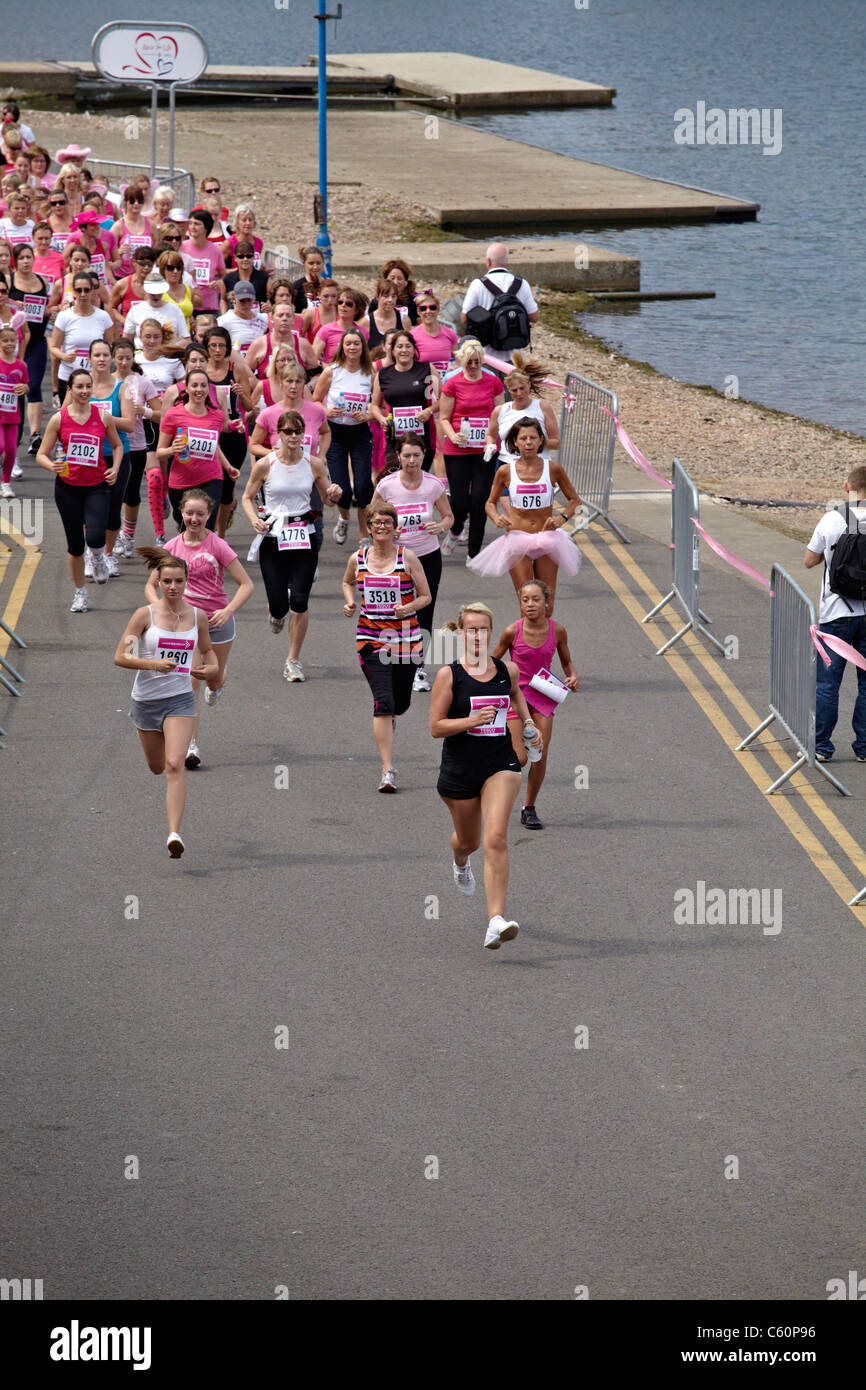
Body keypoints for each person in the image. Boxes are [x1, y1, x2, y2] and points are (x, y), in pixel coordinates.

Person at [430, 601, 542, 949]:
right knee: (470, 842)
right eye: (471, 629)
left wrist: (527, 725)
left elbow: (515, 695)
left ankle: (495, 920)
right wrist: (470, 722)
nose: (478, 635)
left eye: (483, 629)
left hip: (500, 763)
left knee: (495, 837)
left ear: (491, 633)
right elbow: (435, 727)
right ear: (461, 633)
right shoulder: (449, 675)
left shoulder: (505, 669)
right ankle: (460, 862)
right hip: (460, 770)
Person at [114, 547, 218, 858]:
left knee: (175, 765)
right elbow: (121, 656)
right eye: (167, 581)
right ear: (158, 581)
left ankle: (174, 833)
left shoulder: (197, 616)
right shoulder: (144, 615)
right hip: (146, 700)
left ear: (187, 583)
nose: (173, 587)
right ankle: (144, 730)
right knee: (157, 767)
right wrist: (152, 665)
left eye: (179, 581)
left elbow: (209, 651)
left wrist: (211, 669)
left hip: (180, 698)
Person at [144, 488, 254, 769]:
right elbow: (150, 585)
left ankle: (220, 681)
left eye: (200, 514)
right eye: (189, 513)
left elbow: (246, 584)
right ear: (181, 513)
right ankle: (191, 746)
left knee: (212, 678)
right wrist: (160, 608)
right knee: (190, 681)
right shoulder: (171, 548)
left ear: (208, 515)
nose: (194, 518)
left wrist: (228, 610)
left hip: (218, 622)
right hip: (186, 624)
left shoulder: (217, 545)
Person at [243, 409, 341, 682]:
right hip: (273, 536)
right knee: (278, 603)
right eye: (288, 431)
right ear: (279, 434)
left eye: (298, 431)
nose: (294, 436)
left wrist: (334, 494)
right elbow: (248, 497)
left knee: (299, 599)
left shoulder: (313, 464)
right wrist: (255, 520)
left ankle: (293, 660)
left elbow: (327, 498)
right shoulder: (266, 464)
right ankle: (276, 613)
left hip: (303, 535)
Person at [342, 500, 430, 790]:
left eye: (387, 523)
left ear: (396, 529)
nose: (381, 527)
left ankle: (391, 718)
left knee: (400, 704)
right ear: (368, 528)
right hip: (370, 640)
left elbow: (425, 596)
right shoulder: (358, 558)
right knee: (383, 702)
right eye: (376, 523)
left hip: (406, 641)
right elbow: (347, 582)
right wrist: (351, 601)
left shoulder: (409, 558)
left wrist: (409, 608)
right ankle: (388, 770)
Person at [492, 580, 579, 829]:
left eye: (536, 600)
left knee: (539, 754)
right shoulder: (511, 631)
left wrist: (572, 676)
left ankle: (529, 807)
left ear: (547, 602)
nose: (530, 604)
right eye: (525, 600)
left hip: (544, 693)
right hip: (516, 693)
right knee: (519, 758)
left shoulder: (558, 630)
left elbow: (567, 662)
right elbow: (493, 661)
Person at [469, 417, 581, 610]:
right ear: (515, 442)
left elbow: (575, 500)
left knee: (546, 604)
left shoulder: (553, 468)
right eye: (523, 438)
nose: (528, 442)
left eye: (533, 438)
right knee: (527, 604)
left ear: (540, 441)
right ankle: (525, 641)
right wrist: (496, 518)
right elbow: (489, 503)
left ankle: (547, 640)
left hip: (547, 539)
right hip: (517, 540)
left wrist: (561, 519)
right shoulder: (505, 471)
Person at [36, 366, 123, 609]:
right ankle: (80, 592)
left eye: (88, 387)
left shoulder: (103, 416)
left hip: (97, 485)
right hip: (67, 488)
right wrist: (51, 465)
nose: (84, 391)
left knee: (95, 536)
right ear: (70, 389)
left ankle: (97, 558)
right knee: (75, 545)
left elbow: (117, 446)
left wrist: (114, 468)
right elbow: (42, 454)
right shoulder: (59, 419)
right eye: (79, 387)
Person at [372, 433, 453, 692]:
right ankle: (393, 659)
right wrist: (386, 529)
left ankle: (418, 668)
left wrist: (439, 526)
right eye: (406, 455)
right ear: (399, 456)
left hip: (427, 555)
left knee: (424, 612)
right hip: (396, 558)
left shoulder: (432, 485)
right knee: (396, 609)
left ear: (423, 456)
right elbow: (372, 516)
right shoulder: (387, 485)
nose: (411, 460)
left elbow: (449, 516)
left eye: (416, 455)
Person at [804, 465, 866, 763]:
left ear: (847, 488)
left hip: (835, 614)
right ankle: (864, 747)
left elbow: (809, 561)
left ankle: (822, 746)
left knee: (828, 684)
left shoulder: (833, 518)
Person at [438, 338, 504, 559]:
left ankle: (474, 551)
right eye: (469, 362)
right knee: (459, 501)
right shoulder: (452, 383)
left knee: (479, 500)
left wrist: (492, 438)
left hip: (484, 449)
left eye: (477, 362)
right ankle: (456, 531)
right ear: (462, 362)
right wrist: (453, 435)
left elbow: (500, 414)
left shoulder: (493, 382)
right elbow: (444, 418)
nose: (474, 366)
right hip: (457, 449)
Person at [157, 367, 239, 531]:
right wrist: (172, 449)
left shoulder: (216, 415)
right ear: (186, 388)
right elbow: (160, 452)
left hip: (211, 477)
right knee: (186, 529)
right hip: (181, 481)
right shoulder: (173, 415)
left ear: (209, 389)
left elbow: (213, 445)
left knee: (206, 526)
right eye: (194, 385)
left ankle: (206, 556)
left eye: (203, 385)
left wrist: (227, 466)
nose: (199, 390)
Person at [313, 329, 375, 545]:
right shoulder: (332, 371)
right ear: (342, 346)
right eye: (348, 343)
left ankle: (363, 535)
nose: (352, 347)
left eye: (356, 344)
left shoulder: (370, 372)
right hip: (335, 433)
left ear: (362, 347)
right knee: (342, 489)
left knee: (363, 487)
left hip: (359, 433)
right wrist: (326, 411)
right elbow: (315, 400)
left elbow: (380, 407)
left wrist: (367, 415)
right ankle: (344, 518)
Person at [87, 338, 135, 576]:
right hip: (87, 458)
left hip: (116, 456)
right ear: (90, 359)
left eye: (106, 355)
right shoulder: (81, 385)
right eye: (97, 355)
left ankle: (106, 555)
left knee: (112, 508)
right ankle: (91, 554)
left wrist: (100, 417)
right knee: (89, 507)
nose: (102, 359)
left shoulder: (121, 388)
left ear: (111, 358)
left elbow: (129, 423)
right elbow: (64, 415)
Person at [135, 318, 185, 545]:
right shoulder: (134, 361)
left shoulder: (172, 363)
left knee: (173, 478)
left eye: (156, 337)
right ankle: (160, 534)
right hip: (145, 424)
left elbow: (186, 389)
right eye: (147, 337)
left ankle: (174, 509)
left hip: (172, 424)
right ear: (140, 337)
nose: (151, 341)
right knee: (154, 478)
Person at [202, 325, 254, 536]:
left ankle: (219, 535)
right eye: (213, 345)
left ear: (227, 348)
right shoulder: (201, 371)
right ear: (206, 347)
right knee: (210, 486)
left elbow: (250, 407)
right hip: (208, 431)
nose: (217, 350)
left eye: (221, 346)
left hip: (233, 433)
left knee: (225, 488)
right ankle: (207, 530)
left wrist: (241, 394)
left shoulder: (237, 369)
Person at [112, 335, 156, 559]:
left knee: (131, 492)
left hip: (136, 445)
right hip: (110, 444)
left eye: (127, 358)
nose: (123, 362)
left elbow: (162, 415)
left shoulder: (142, 381)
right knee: (112, 493)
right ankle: (114, 533)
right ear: (113, 358)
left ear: (133, 358)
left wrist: (144, 411)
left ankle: (128, 536)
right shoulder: (107, 382)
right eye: (119, 358)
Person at [372, 328, 440, 472]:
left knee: (419, 481)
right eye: (399, 346)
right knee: (395, 481)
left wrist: (429, 410)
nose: (404, 350)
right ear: (393, 350)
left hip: (422, 437)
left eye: (408, 346)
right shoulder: (383, 374)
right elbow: (374, 405)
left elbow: (443, 399)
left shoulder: (427, 368)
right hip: (394, 438)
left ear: (414, 348)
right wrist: (381, 419)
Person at [461, 241, 538, 364]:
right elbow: (534, 317)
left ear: (488, 261)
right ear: (506, 262)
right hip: (515, 357)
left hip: (486, 357)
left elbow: (465, 318)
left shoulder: (478, 284)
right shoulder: (521, 283)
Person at [9, 242, 53, 451]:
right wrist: (14, 305)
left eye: (29, 257)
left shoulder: (42, 280)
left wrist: (49, 311)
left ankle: (35, 434)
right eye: (22, 258)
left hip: (37, 341)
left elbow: (48, 306)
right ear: (15, 261)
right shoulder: (9, 281)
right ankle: (12, 433)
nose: (26, 261)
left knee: (33, 385)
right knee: (14, 388)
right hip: (13, 344)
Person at [49, 271, 114, 403]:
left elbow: (111, 345)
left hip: (95, 377)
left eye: (86, 290)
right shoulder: (64, 316)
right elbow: (54, 347)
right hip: (69, 375)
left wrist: (102, 360)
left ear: (92, 291)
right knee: (68, 418)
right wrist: (64, 356)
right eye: (79, 290)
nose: (83, 294)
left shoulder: (103, 316)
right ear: (73, 292)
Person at [486, 353, 560, 464]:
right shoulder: (500, 411)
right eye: (514, 390)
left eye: (522, 388)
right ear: (508, 390)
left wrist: (535, 443)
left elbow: (556, 443)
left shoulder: (543, 407)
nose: (519, 393)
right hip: (507, 463)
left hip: (538, 464)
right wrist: (490, 445)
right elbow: (491, 435)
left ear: (529, 384)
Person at [123, 268, 187, 348]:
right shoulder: (135, 310)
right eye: (152, 293)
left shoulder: (175, 310)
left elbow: (186, 339)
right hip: (141, 355)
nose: (156, 296)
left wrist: (169, 349)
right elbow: (127, 339)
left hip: (168, 357)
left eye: (159, 293)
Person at [0, 324, 27, 497]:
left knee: (11, 450)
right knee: (0, 446)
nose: (10, 343)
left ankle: (6, 482)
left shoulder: (21, 365)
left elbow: (26, 385)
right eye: (5, 340)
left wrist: (24, 388)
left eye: (13, 340)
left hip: (13, 414)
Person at [181, 209, 225, 314]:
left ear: (206, 228)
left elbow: (223, 276)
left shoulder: (215, 250)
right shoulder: (182, 247)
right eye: (190, 223)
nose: (192, 227)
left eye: (197, 224)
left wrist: (217, 283)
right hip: (187, 303)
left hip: (209, 306)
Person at [312, 286, 369, 364]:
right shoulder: (326, 330)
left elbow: (365, 359)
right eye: (340, 302)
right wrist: (326, 367)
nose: (343, 305)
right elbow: (313, 359)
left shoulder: (363, 332)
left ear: (356, 310)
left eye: (348, 303)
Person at [108, 244, 157, 328]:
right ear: (134, 262)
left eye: (149, 264)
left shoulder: (157, 285)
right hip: (129, 334)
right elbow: (112, 308)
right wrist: (126, 322)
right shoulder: (122, 284)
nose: (146, 268)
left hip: (151, 335)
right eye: (142, 264)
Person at [217, 280, 268, 356]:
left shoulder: (263, 319)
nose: (246, 305)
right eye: (242, 301)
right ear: (234, 297)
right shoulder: (224, 321)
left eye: (249, 300)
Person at [368, 258, 418, 326]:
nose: (395, 282)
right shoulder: (376, 301)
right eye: (392, 278)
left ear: (406, 282)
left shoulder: (414, 301)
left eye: (399, 279)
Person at [221, 241, 269, 309]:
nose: (245, 259)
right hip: (235, 318)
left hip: (258, 318)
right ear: (235, 258)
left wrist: (270, 309)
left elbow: (273, 299)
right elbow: (223, 300)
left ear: (254, 257)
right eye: (241, 256)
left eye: (249, 256)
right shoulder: (227, 279)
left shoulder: (264, 278)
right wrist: (224, 316)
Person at [221, 204, 263, 270]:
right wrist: (235, 272)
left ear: (254, 222)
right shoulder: (229, 243)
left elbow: (256, 266)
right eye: (244, 220)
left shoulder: (259, 242)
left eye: (250, 220)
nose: (248, 223)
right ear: (237, 223)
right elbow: (215, 269)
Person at [291, 246, 324, 313]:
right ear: (304, 264)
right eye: (311, 263)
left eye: (318, 263)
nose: (315, 267)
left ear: (323, 263)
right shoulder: (296, 287)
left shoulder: (329, 285)